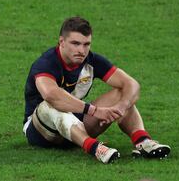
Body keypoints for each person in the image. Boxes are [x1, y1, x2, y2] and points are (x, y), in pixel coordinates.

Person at [23, 16, 171, 164]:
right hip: (42, 132)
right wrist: (94, 110)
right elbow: (51, 95)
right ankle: (95, 148)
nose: (81, 50)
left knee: (122, 93)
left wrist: (121, 107)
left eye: (86, 44)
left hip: (76, 126)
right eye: (75, 43)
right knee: (51, 105)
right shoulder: (46, 63)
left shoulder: (92, 61)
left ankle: (143, 141)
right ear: (61, 42)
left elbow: (132, 84)